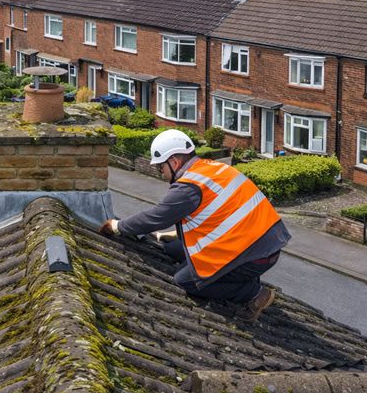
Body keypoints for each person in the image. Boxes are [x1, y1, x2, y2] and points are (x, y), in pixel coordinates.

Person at [101, 129, 290, 321]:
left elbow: (156, 217)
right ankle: (238, 277)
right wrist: (177, 234)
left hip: (252, 256)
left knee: (186, 281)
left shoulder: (188, 186)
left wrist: (118, 226)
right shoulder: (213, 168)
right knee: (172, 247)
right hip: (267, 244)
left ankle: (253, 293)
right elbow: (218, 215)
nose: (161, 173)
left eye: (161, 168)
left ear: (174, 162)